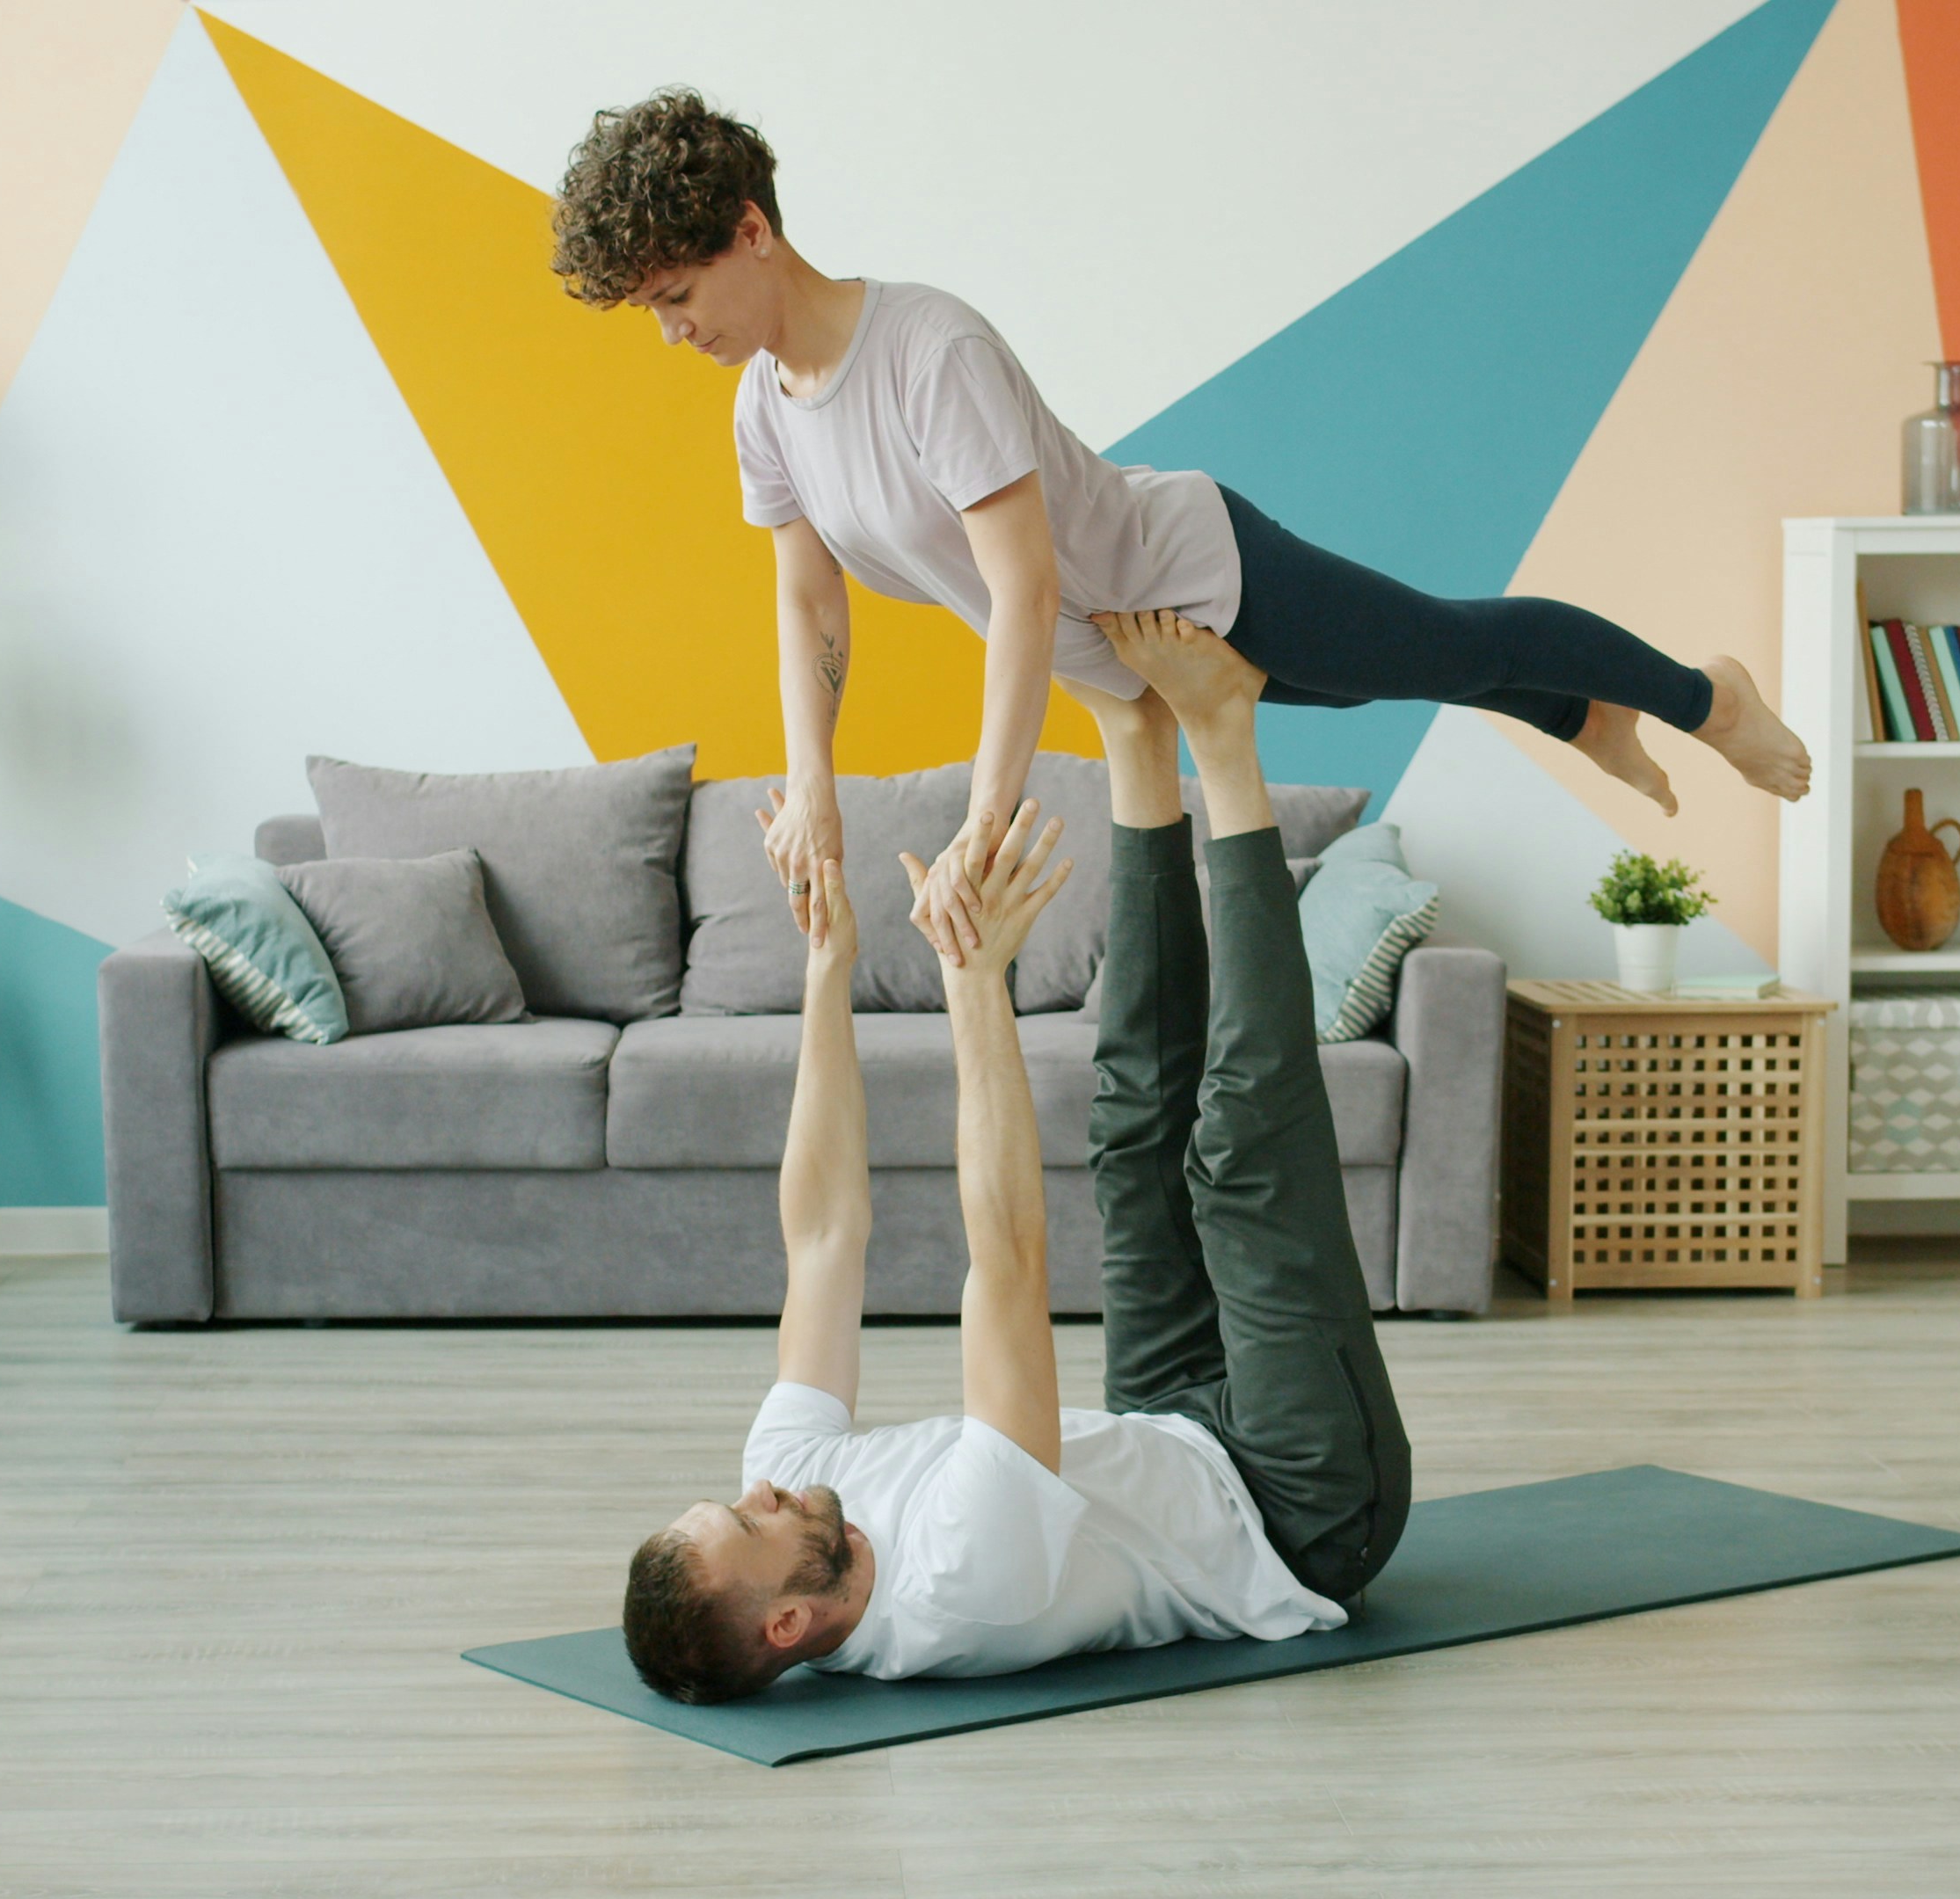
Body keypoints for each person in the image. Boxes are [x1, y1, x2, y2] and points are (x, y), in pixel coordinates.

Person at [546, 88, 1814, 958]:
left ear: (753, 232)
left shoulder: (931, 353)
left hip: (1194, 577)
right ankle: (1582, 712)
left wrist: (987, 815)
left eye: (676, 294)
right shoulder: (765, 407)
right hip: (1135, 651)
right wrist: (809, 781)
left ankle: (1708, 698)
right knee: (1421, 675)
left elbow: (1025, 591)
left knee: (1453, 645)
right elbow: (809, 599)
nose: (672, 331)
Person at [620, 611, 1410, 1702]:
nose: (762, 1486)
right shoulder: (956, 1587)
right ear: (792, 1619)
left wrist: (825, 964)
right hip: (1295, 1508)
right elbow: (1008, 1264)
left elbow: (821, 1234)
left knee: (1132, 1133)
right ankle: (1224, 734)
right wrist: (972, 981)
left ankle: (1139, 742)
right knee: (1241, 1159)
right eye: (749, 1519)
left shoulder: (798, 1504)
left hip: (1162, 1427)